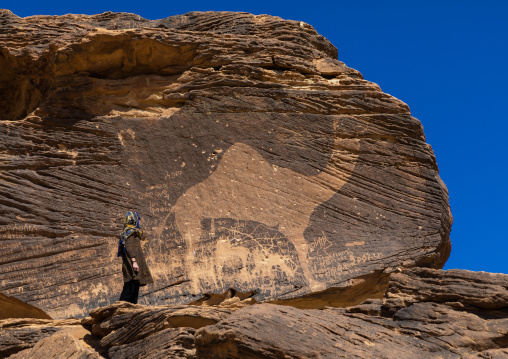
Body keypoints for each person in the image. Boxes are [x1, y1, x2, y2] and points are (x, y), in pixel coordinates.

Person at [118, 211, 153, 304]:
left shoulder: (131, 232)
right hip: (131, 264)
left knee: (134, 289)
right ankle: (118, 311)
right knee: (129, 289)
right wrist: (134, 261)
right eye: (137, 219)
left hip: (132, 263)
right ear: (133, 220)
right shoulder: (130, 233)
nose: (139, 222)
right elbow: (129, 248)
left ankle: (130, 311)